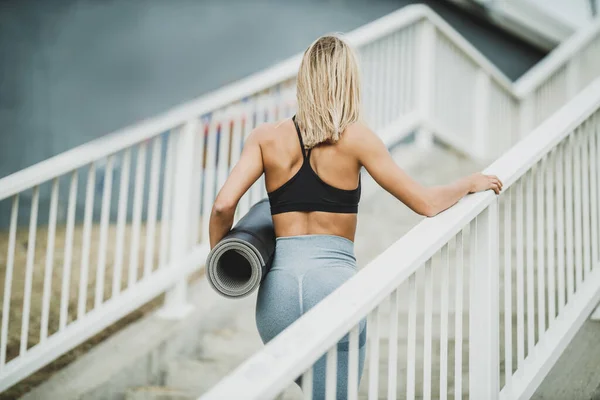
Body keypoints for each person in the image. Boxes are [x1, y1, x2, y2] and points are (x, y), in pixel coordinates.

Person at [208, 34, 502, 399]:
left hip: (276, 297)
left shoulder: (265, 138)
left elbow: (223, 205)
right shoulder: (358, 140)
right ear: (347, 80)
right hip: (334, 289)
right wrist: (468, 183)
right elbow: (426, 202)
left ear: (306, 78)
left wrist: (223, 264)